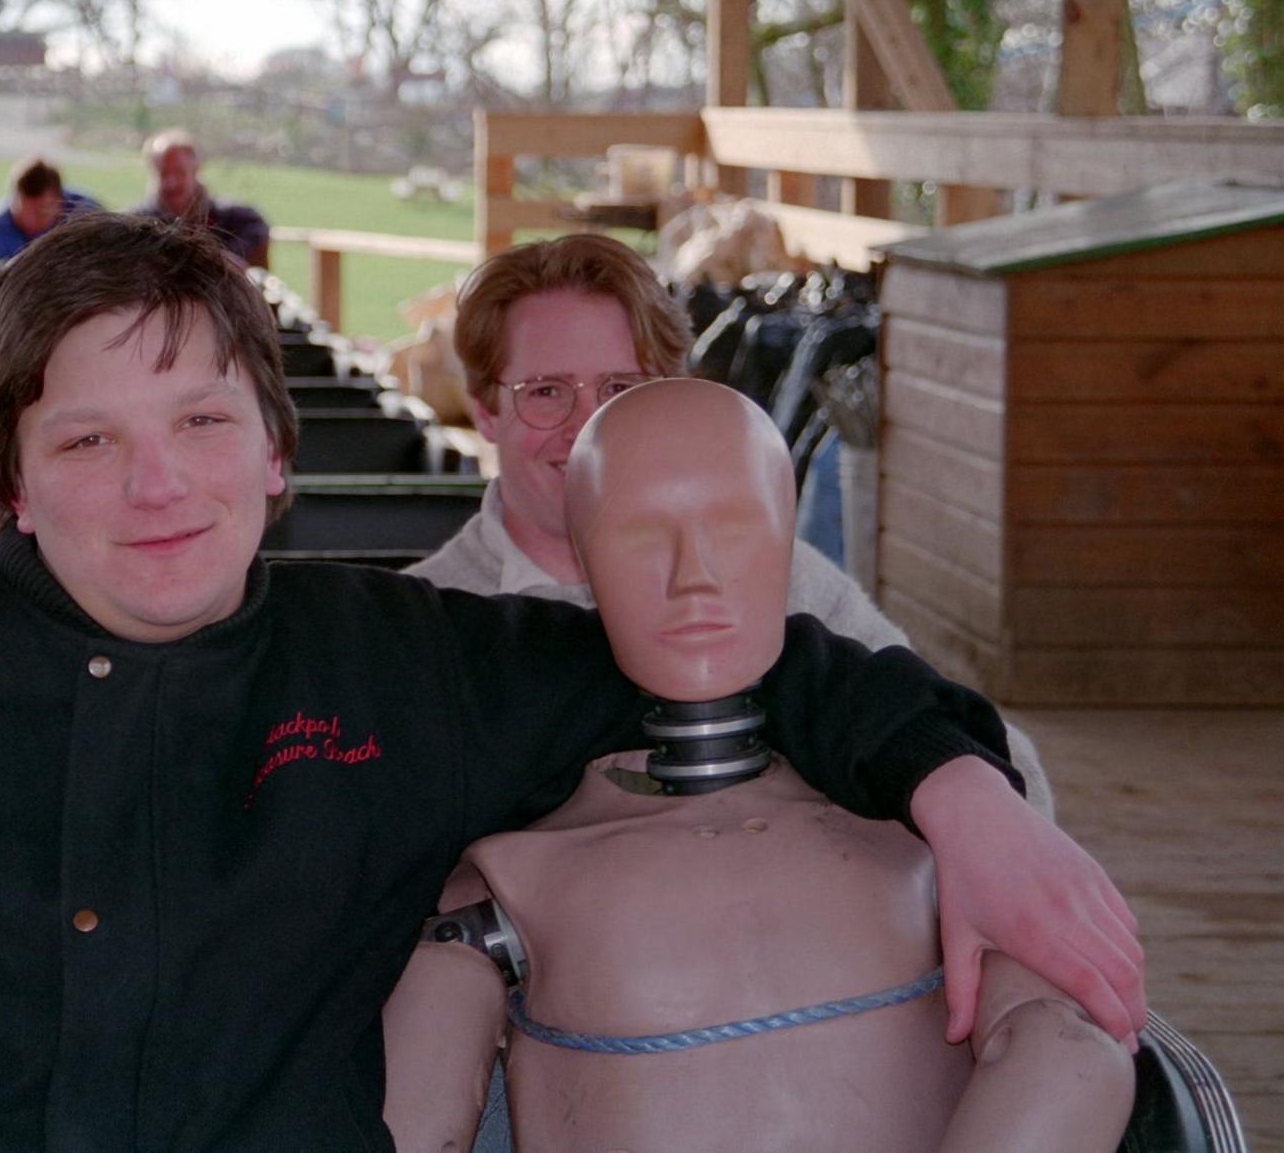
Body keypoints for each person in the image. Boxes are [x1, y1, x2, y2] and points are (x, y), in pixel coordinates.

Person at [0, 214, 1141, 1152]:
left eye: (202, 424)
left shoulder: (405, 664)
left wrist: (960, 792)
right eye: (87, 438)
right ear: (11, 478)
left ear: (277, 458)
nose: (157, 487)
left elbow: (757, 661)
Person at [383, 380, 1134, 1152]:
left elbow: (1070, 1046)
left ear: (786, 541)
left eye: (734, 528)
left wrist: (970, 800)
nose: (694, 577)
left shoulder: (928, 828)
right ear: (584, 556)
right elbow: (414, 1120)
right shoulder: (510, 874)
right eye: (643, 536)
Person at [407, 234, 1053, 817]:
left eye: (619, 390)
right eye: (546, 391)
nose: (586, 429)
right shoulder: (428, 628)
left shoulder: (778, 581)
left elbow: (1013, 773)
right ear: (485, 411)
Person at [132, 127, 270, 268]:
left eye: (180, 173)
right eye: (163, 173)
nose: (171, 183)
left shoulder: (240, 221)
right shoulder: (136, 226)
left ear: (196, 169)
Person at [0, 156, 99, 262]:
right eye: (22, 210)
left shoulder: (88, 215)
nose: (30, 220)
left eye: (41, 211)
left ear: (60, 201)